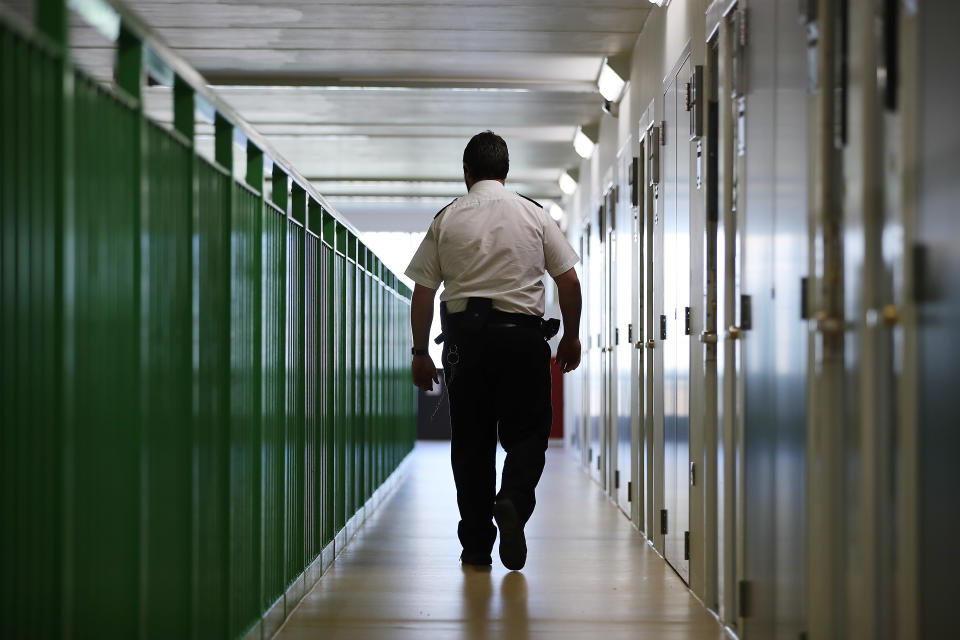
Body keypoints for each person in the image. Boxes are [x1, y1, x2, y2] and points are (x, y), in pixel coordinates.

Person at [404, 130, 583, 570]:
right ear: (505, 172)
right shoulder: (534, 215)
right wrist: (572, 336)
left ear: (467, 172)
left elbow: (424, 291)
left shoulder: (446, 218)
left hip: (466, 345)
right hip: (522, 340)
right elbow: (569, 282)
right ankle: (513, 501)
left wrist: (420, 352)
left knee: (471, 445)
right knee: (528, 434)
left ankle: (477, 547)